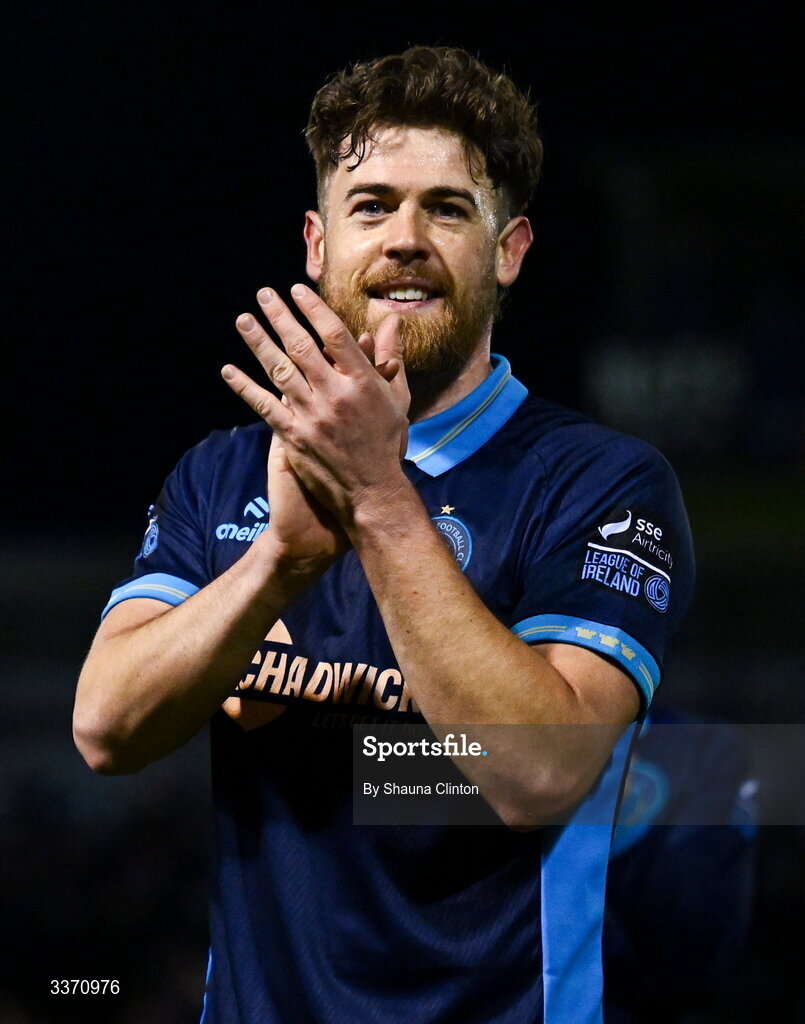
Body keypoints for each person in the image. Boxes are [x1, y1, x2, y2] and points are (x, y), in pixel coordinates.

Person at [73, 46, 695, 1024]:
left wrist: (376, 493)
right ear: (316, 244)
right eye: (372, 206)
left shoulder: (602, 482)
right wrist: (275, 563)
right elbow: (106, 728)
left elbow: (540, 772)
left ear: (510, 249)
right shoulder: (225, 473)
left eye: (446, 208)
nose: (404, 238)